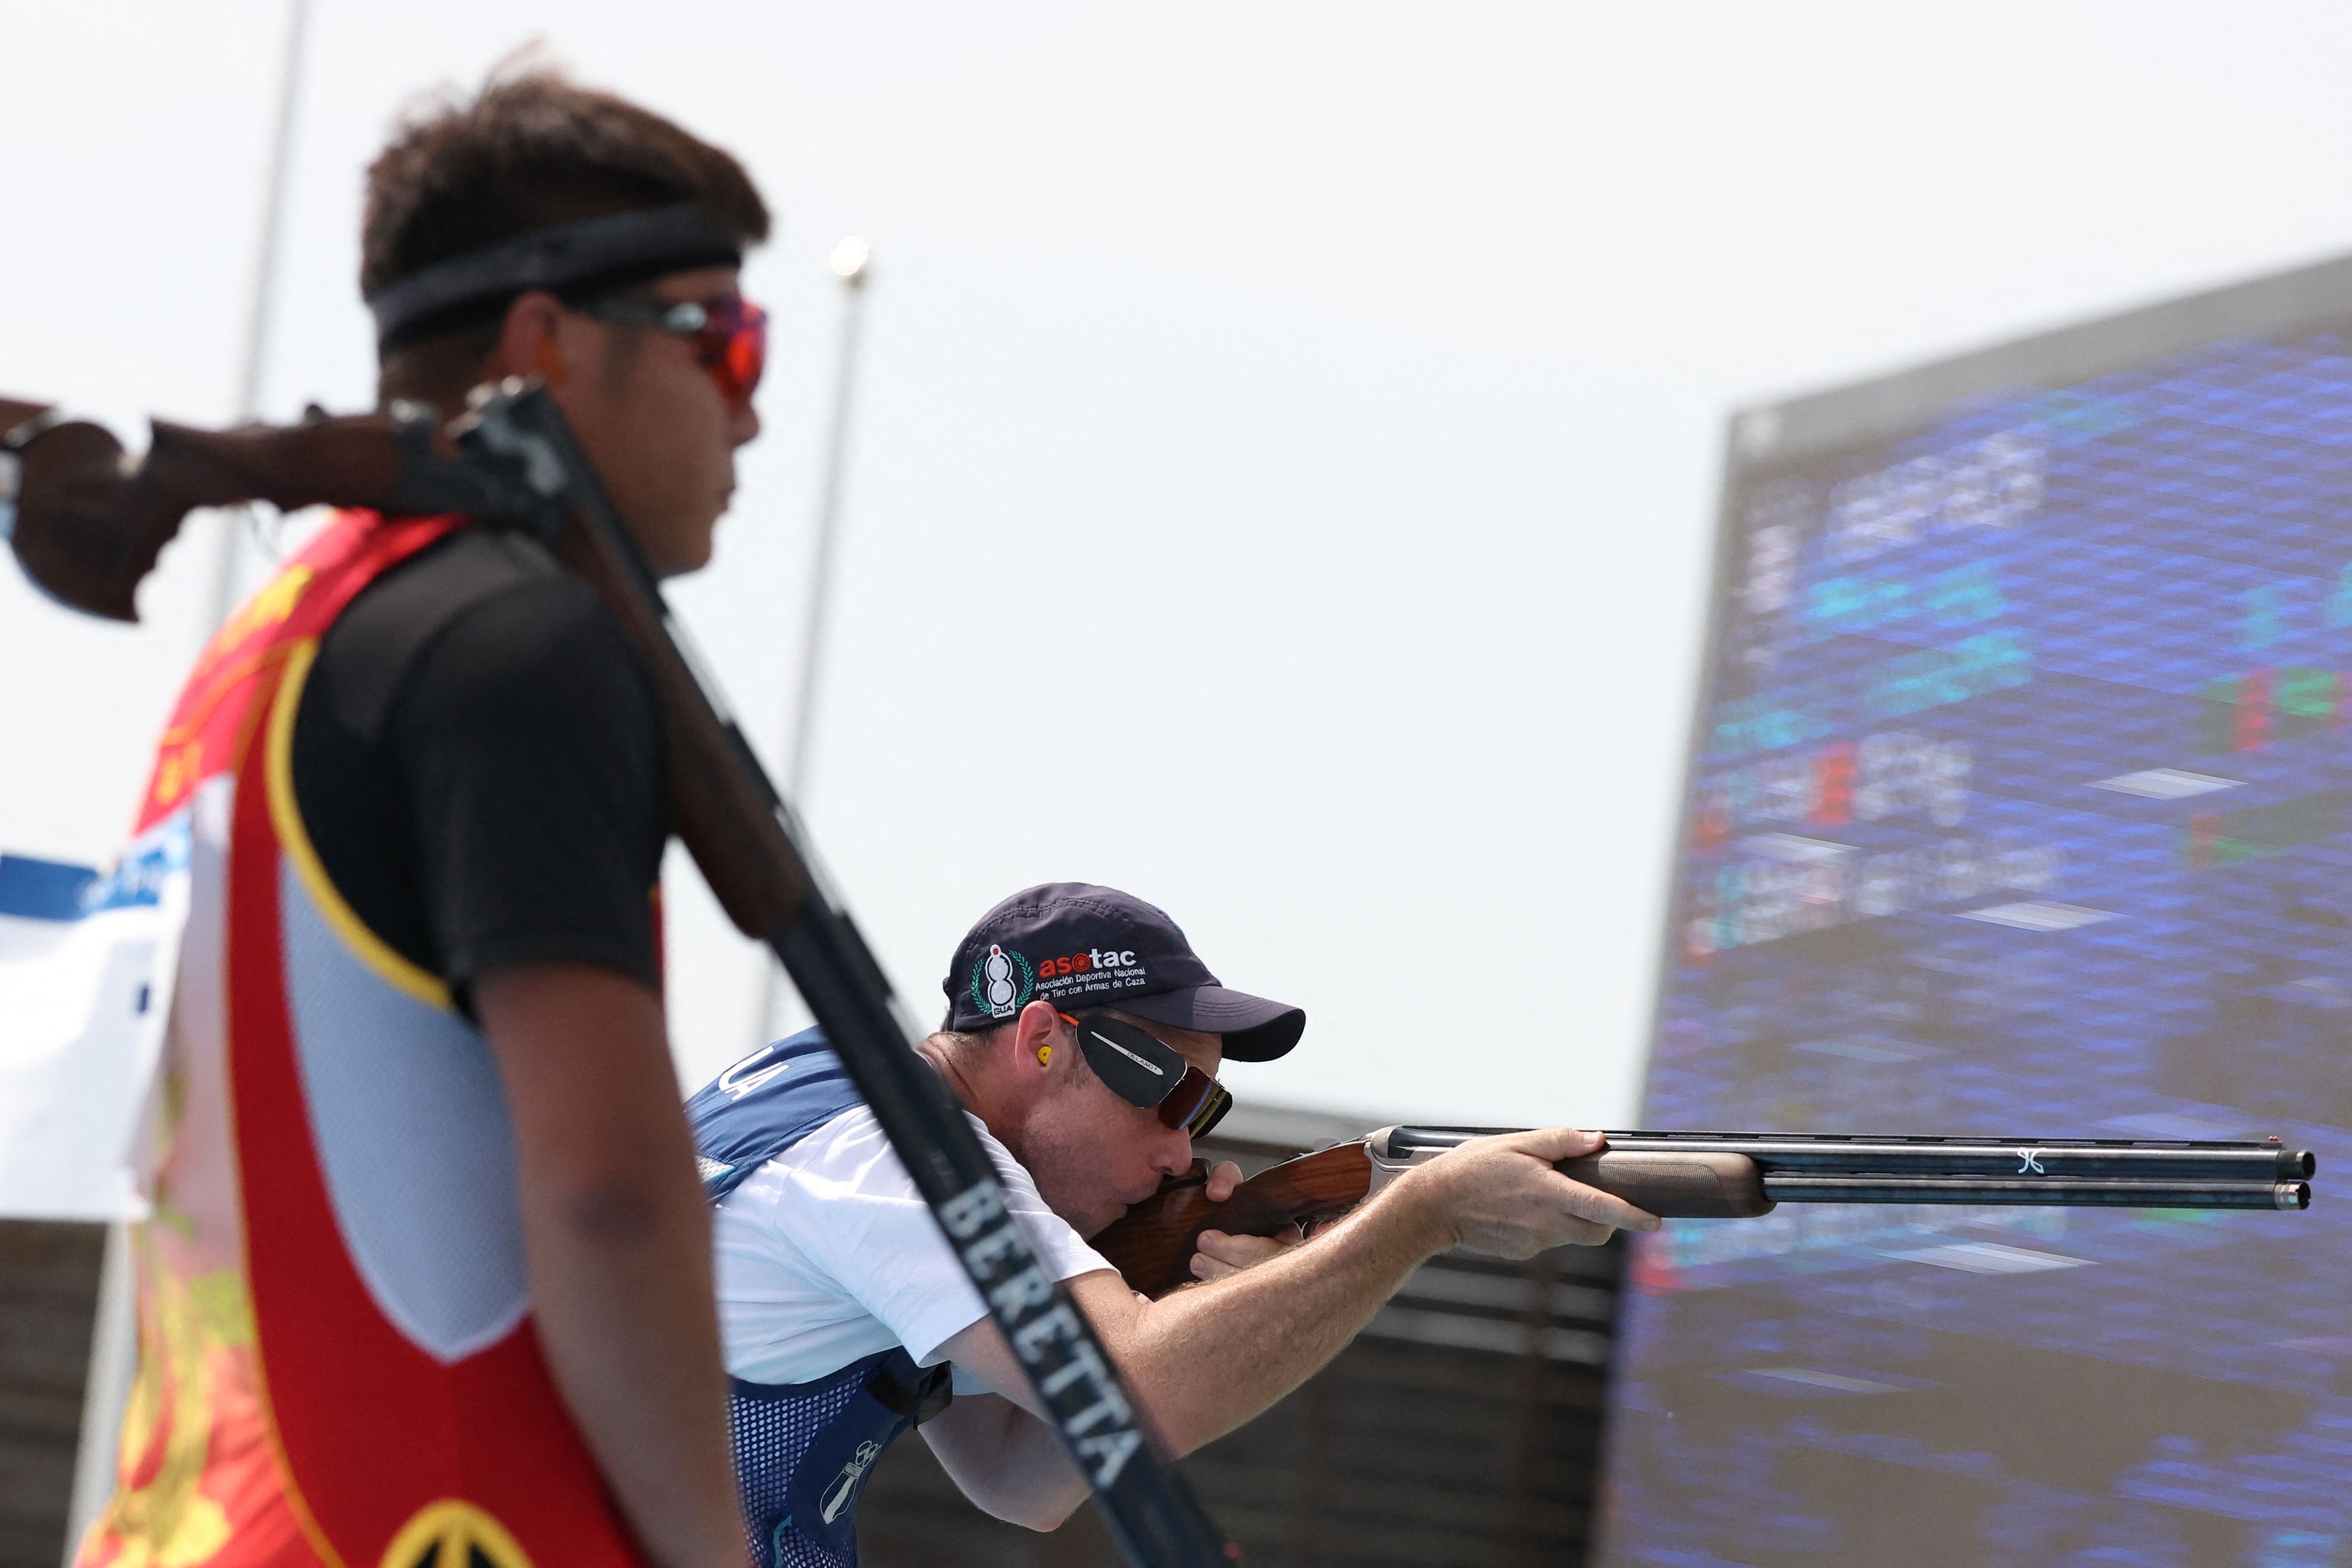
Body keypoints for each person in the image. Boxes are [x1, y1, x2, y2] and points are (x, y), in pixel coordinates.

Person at [78, 69, 762, 1568]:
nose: (753, 408)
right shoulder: (516, 645)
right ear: (545, 340)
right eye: (725, 338)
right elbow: (609, 1194)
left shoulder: (270, 645)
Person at [690, 881, 1657, 1567]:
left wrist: (1211, 1311)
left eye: (1205, 1112)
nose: (1181, 1155)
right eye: (1170, 1096)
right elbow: (1136, 1390)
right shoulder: (896, 1156)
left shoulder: (844, 1094)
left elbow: (1017, 1479)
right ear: (1039, 1041)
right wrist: (1417, 1218)